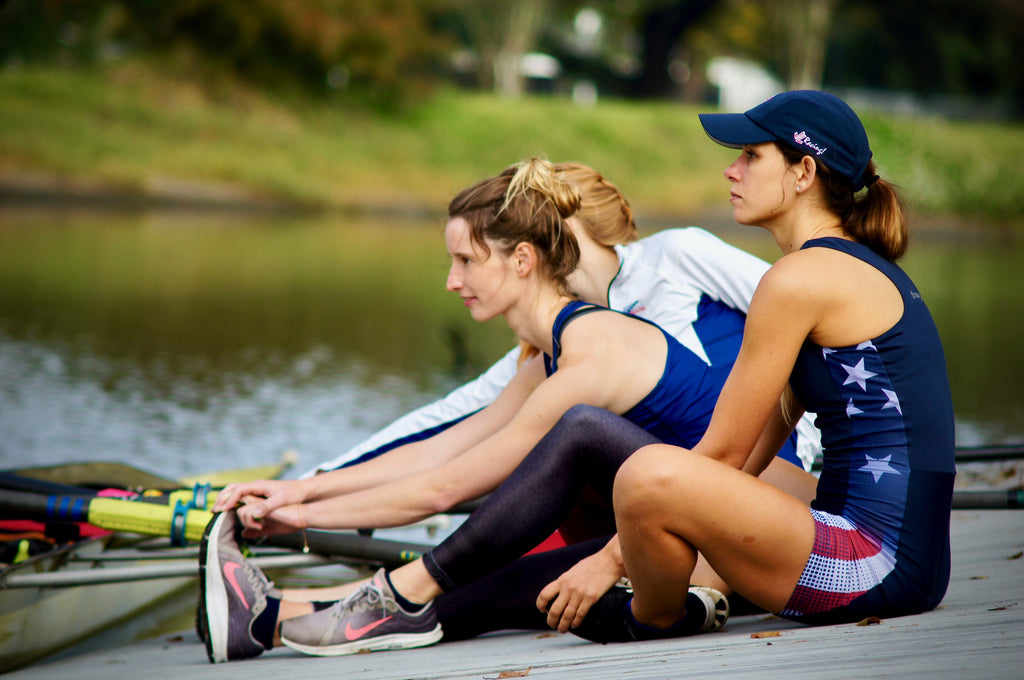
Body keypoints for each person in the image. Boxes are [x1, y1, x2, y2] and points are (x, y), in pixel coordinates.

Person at [199, 158, 814, 663]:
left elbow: (442, 488)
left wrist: (300, 518)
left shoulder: (596, 349)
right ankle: (266, 620)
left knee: (549, 484)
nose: (450, 280)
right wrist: (295, 496)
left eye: (466, 261)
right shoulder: (546, 358)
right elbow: (436, 448)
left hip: (763, 530)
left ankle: (370, 599)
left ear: (523, 260)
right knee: (494, 590)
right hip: (667, 535)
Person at [565, 90, 956, 642]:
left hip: (867, 566)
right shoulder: (850, 266)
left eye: (751, 156)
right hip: (915, 561)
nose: (731, 169)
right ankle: (697, 586)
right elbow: (748, 453)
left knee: (644, 474)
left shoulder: (796, 281)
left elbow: (719, 455)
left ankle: (652, 614)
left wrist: (608, 559)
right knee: (724, 469)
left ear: (803, 172)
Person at [304, 162, 820, 478]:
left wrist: (821, 443)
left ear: (560, 222)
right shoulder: (559, 328)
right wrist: (323, 476)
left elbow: (810, 319)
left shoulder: (678, 255)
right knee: (537, 446)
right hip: (668, 478)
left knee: (558, 441)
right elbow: (460, 412)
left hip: (775, 466)